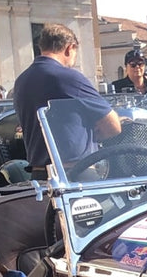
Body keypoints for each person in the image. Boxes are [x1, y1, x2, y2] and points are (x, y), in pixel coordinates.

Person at [14, 23, 121, 177]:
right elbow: (113, 126)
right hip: (75, 174)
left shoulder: (21, 81)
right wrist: (95, 134)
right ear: (69, 48)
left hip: (39, 175)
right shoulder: (70, 77)